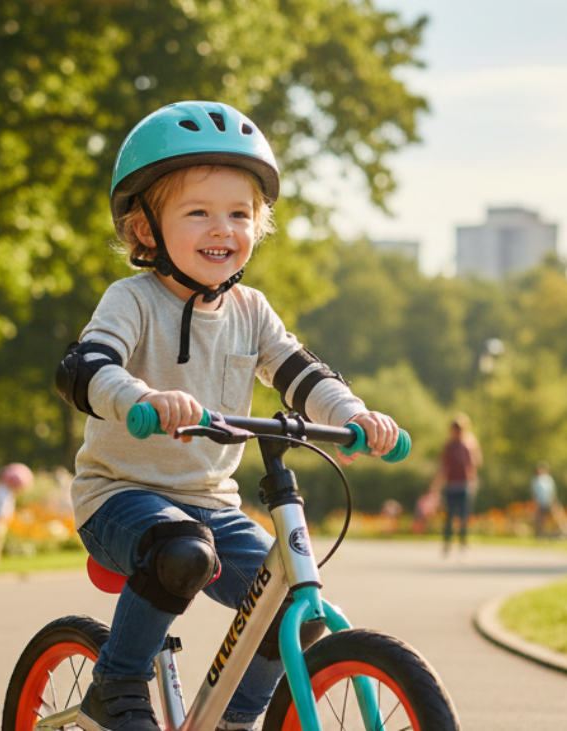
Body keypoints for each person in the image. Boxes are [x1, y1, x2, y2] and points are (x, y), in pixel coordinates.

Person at [56, 101, 399, 731]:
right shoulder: (132, 299)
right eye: (199, 213)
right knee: (182, 551)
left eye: (239, 214)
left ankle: (234, 719)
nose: (223, 229)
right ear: (144, 230)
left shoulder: (251, 309)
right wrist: (141, 398)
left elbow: (300, 372)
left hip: (212, 499)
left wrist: (353, 414)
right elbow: (84, 367)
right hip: (120, 496)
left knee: (291, 601)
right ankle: (117, 682)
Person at [425, 414, 482, 557]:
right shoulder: (449, 446)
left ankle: (463, 543)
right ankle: (447, 543)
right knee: (450, 516)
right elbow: (443, 467)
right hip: (451, 484)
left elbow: (474, 464)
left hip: (464, 484)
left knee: (464, 516)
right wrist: (436, 485)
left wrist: (473, 481)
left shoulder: (469, 444)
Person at [531, 461, 556, 540]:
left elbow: (552, 491)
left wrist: (552, 501)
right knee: (540, 519)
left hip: (548, 501)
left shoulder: (549, 479)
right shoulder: (536, 480)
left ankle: (549, 534)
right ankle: (539, 534)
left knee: (551, 518)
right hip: (540, 502)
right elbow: (535, 492)